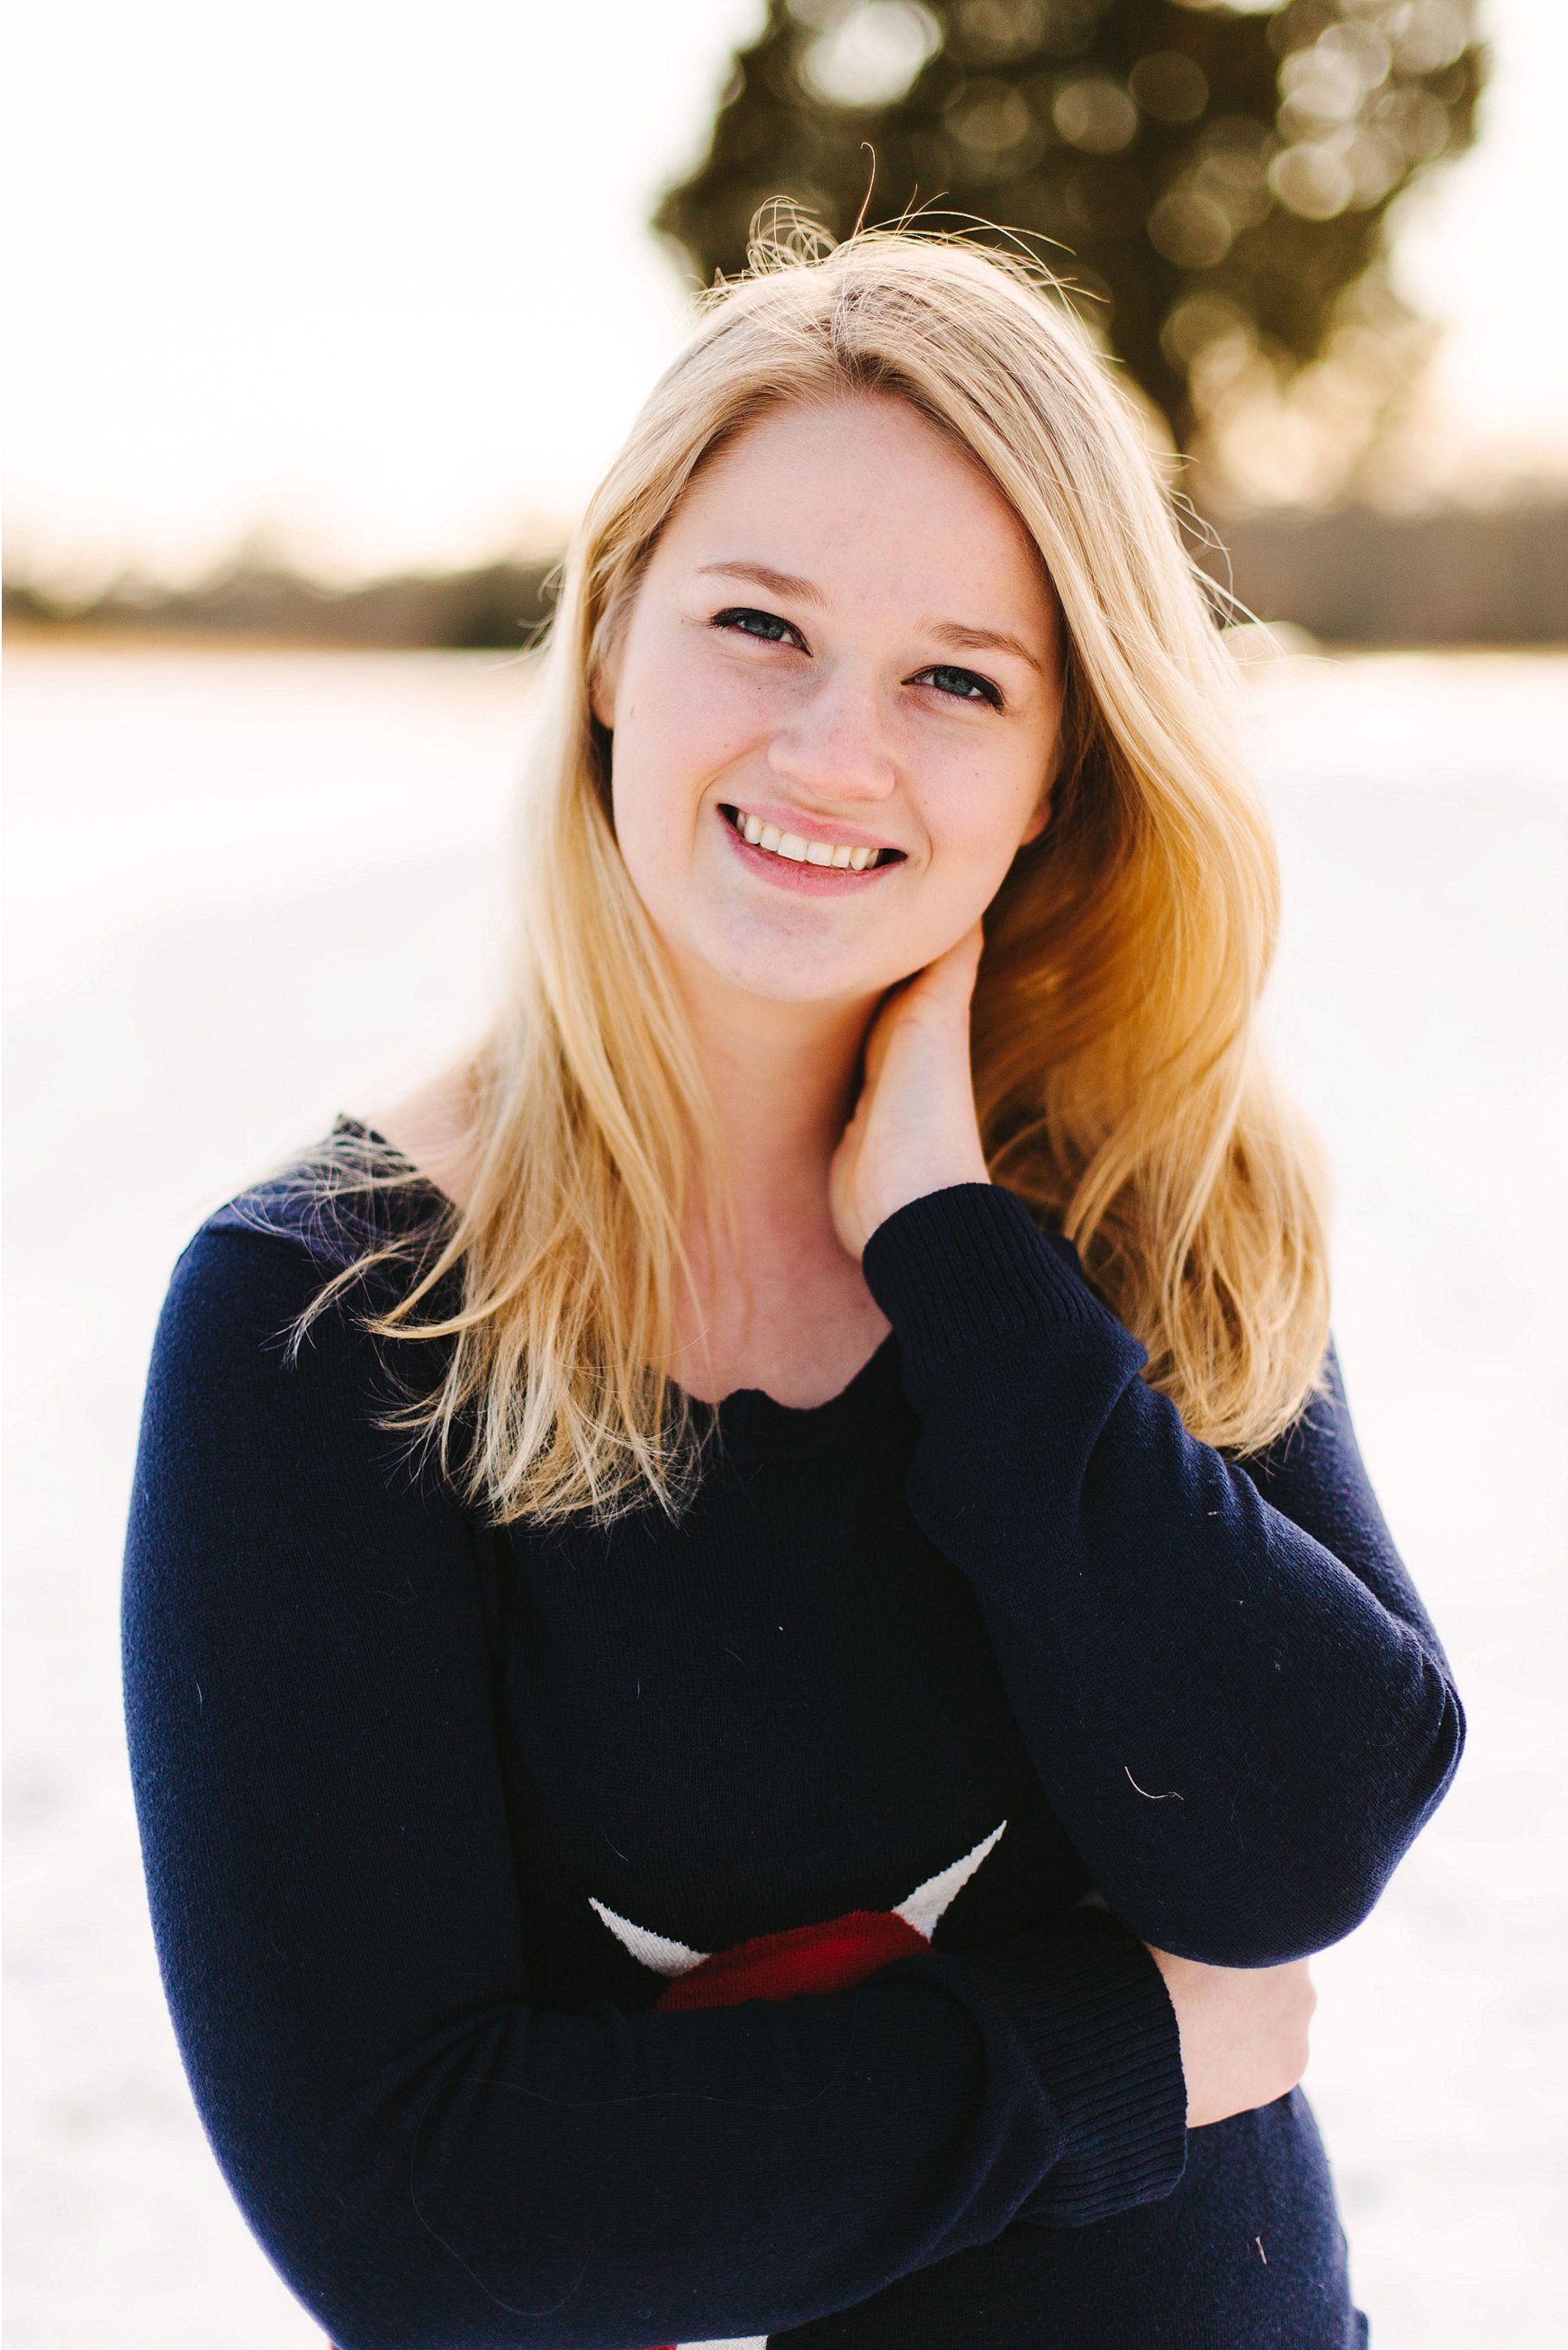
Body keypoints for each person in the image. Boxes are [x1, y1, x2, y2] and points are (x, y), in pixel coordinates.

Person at [122, 231, 1463, 2347]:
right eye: (760, 627)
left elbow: (1293, 1836)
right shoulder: (329, 1321)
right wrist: (1121, 2054)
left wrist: (959, 1257)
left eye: (958, 677)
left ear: (1058, 772)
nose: (837, 753)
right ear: (604, 646)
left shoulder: (1134, 1196)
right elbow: (414, 2218)